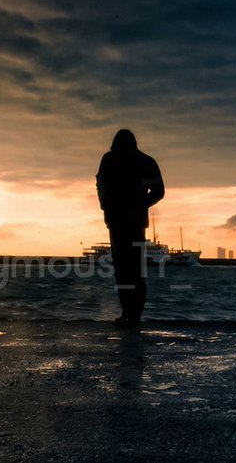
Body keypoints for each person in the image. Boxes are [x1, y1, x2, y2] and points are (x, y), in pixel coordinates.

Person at [96, 129, 165, 328]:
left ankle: (128, 313)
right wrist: (140, 204)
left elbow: (101, 185)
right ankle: (133, 315)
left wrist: (107, 204)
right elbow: (159, 191)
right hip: (131, 221)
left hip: (119, 221)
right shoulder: (145, 161)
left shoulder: (110, 159)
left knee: (123, 270)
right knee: (134, 270)